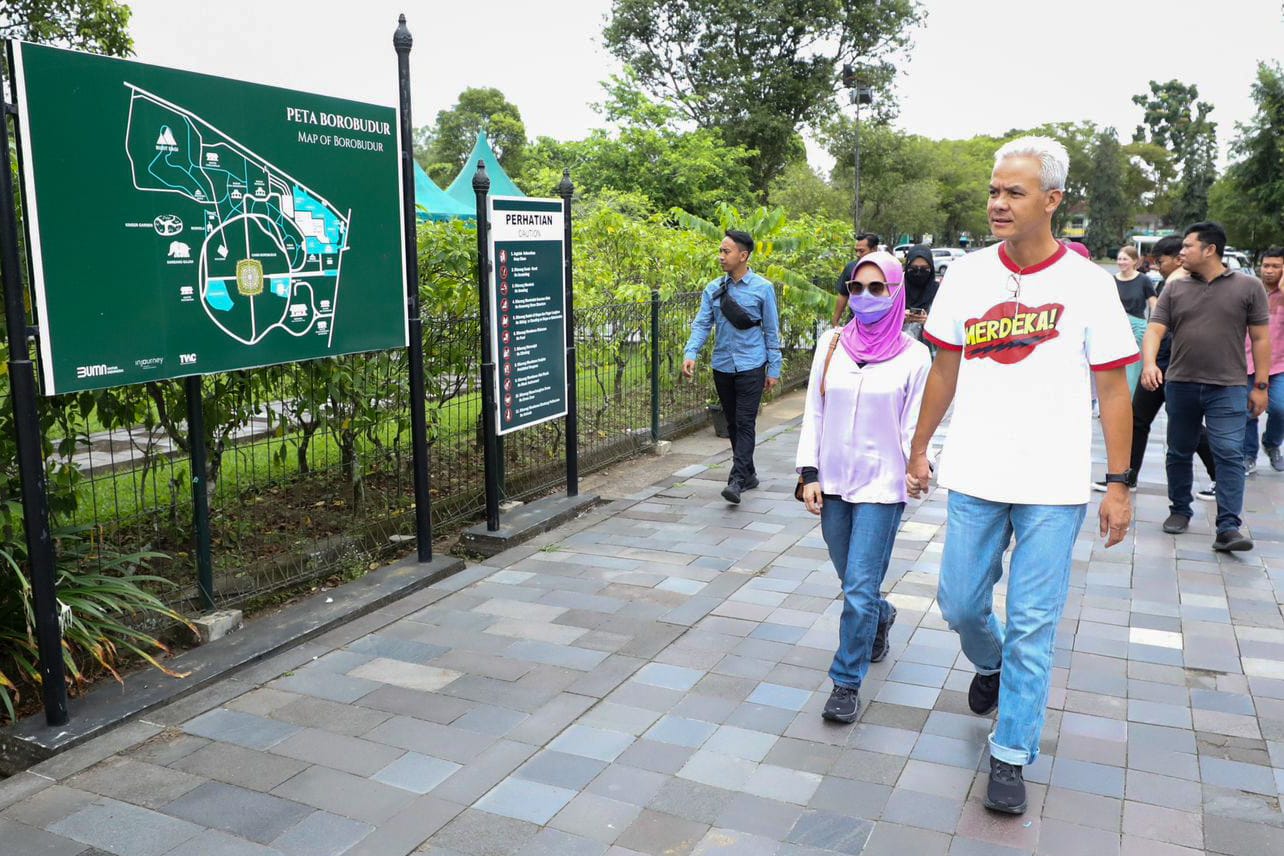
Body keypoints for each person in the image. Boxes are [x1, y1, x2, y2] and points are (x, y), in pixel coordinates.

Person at [906, 136, 1138, 816]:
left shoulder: (1088, 286)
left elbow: (1115, 391)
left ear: (1053, 200)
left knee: (1034, 623)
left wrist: (1118, 483)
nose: (998, 204)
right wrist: (919, 445)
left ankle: (1011, 754)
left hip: (1054, 485)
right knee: (958, 603)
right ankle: (989, 662)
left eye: (1014, 192)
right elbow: (944, 368)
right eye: (994, 191)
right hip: (976, 471)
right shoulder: (968, 275)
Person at [795, 251, 930, 724]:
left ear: (896, 293)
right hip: (832, 480)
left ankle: (845, 682)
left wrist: (920, 464)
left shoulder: (915, 356)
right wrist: (808, 473)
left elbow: (916, 423)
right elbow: (814, 410)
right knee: (853, 582)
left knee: (856, 589)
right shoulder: (832, 343)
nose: (866, 297)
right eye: (857, 288)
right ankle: (882, 613)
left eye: (878, 288)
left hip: (882, 485)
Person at [1141, 221, 1269, 551]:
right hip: (1180, 383)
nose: (1181, 252)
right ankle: (1179, 510)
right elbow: (1155, 329)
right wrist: (1150, 363)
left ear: (1209, 250)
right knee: (1179, 450)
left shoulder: (1248, 287)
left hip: (1228, 387)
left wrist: (1261, 385)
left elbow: (1260, 338)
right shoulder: (1174, 287)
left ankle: (1228, 527)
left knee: (1229, 453)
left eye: (1187, 246)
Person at [1092, 235, 1217, 499]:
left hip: (1178, 364)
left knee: (1186, 424)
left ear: (1177, 258)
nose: (1158, 266)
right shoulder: (1171, 283)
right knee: (1137, 418)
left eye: (1161, 261)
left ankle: (1222, 476)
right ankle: (1127, 476)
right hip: (1160, 361)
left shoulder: (1186, 282)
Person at [683, 230, 782, 505]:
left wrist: (773, 367)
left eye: (726, 251)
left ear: (743, 255)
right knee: (731, 424)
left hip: (752, 364)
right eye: (721, 251)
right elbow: (703, 323)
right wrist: (691, 352)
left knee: (745, 422)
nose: (721, 256)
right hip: (723, 365)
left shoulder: (763, 288)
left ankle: (737, 480)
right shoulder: (713, 289)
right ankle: (748, 473)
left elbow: (772, 330)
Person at [1243, 247, 1284, 473]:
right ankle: (1248, 455)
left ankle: (1271, 443)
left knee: (1280, 408)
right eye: (1266, 265)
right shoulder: (1251, 290)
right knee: (1249, 410)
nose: (1269, 271)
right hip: (1249, 361)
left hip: (1279, 365)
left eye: (1276, 266)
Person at [1114, 245, 1158, 393]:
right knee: (1114, 366)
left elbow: (1153, 303)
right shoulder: (1112, 280)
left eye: (1125, 259)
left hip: (1137, 328)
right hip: (1116, 327)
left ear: (1134, 261)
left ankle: (1129, 404)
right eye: (1119, 259)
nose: (1121, 262)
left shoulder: (1143, 280)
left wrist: (1154, 326)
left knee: (1132, 369)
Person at [831, 233, 881, 327]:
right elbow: (843, 294)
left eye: (862, 251)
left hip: (881, 322)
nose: (858, 254)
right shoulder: (851, 268)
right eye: (856, 251)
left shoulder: (886, 269)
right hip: (855, 321)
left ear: (874, 249)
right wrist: (835, 321)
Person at [902, 245, 938, 345]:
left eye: (924, 269)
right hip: (897, 351)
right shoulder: (896, 291)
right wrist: (899, 317)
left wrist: (930, 321)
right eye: (913, 269)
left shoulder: (940, 292)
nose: (918, 274)